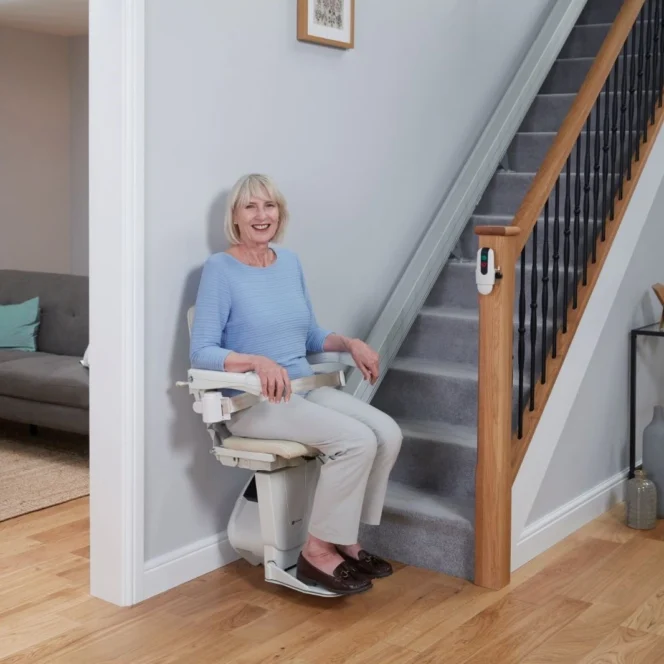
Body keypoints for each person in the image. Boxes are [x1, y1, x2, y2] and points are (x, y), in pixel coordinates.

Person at [190, 173, 403, 595]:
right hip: (255, 404)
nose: (261, 215)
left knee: (388, 434)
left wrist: (347, 342)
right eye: (250, 206)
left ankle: (342, 536)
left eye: (269, 205)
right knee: (356, 441)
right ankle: (317, 550)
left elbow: (307, 337)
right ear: (235, 216)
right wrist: (255, 361)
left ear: (280, 213)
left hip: (303, 389)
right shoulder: (221, 269)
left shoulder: (289, 264)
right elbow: (201, 352)